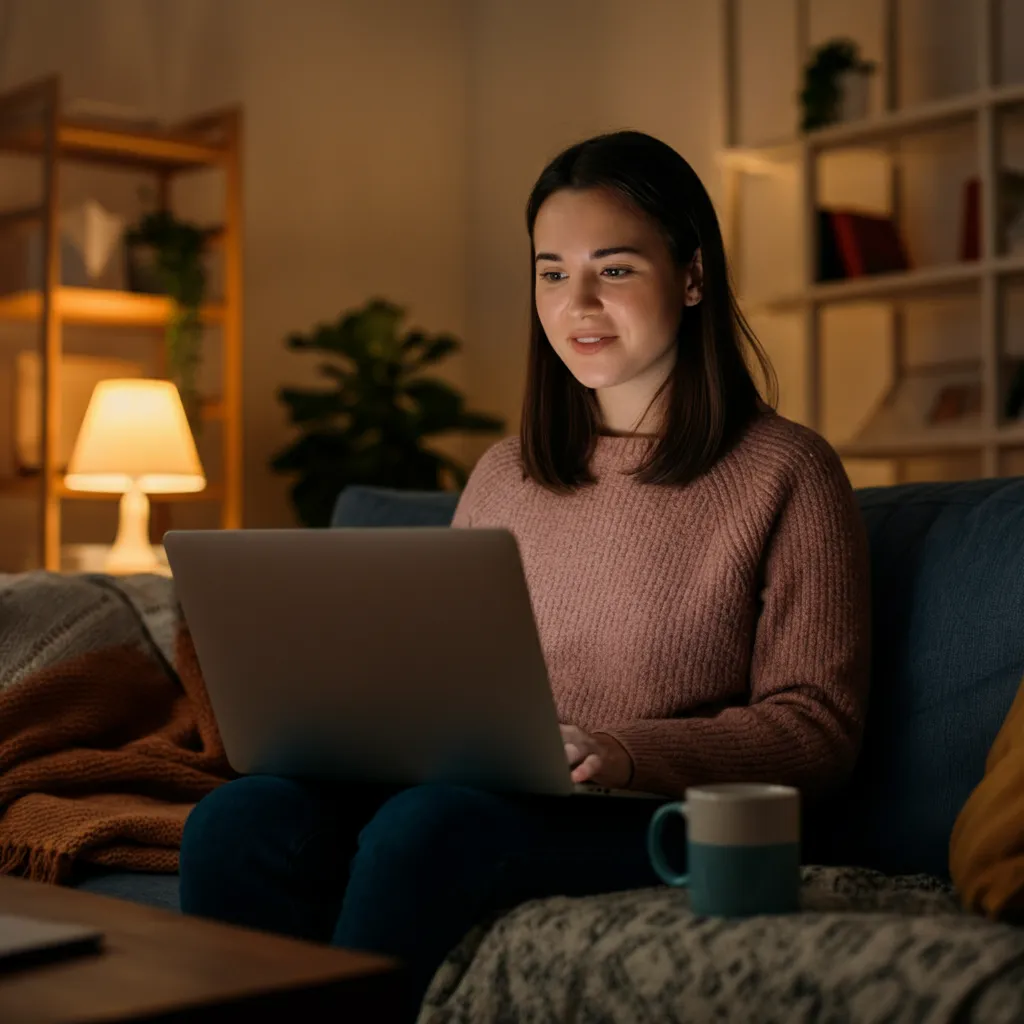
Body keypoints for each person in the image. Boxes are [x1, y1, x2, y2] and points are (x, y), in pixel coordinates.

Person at [178, 130, 871, 1017]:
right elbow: (436, 674)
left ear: (693, 276)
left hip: (648, 813)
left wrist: (624, 754)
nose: (576, 302)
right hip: (471, 791)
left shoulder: (788, 470)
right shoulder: (506, 473)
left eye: (613, 269)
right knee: (241, 821)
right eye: (551, 272)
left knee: (427, 832)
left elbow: (818, 731)